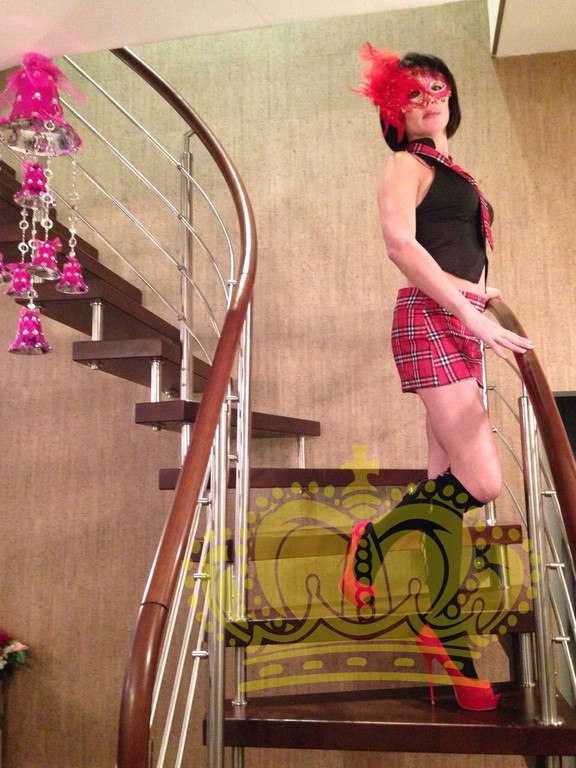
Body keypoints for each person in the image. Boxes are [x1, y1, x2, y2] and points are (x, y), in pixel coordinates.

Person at [340, 44, 533, 711]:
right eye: (412, 93)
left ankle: (445, 630)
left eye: (437, 87)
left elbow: (448, 255)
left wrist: (476, 299)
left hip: (454, 320)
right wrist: (470, 312)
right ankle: (372, 538)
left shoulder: (452, 170)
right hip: (430, 321)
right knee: (483, 482)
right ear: (393, 113)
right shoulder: (405, 164)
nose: (428, 98)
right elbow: (402, 246)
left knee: (443, 491)